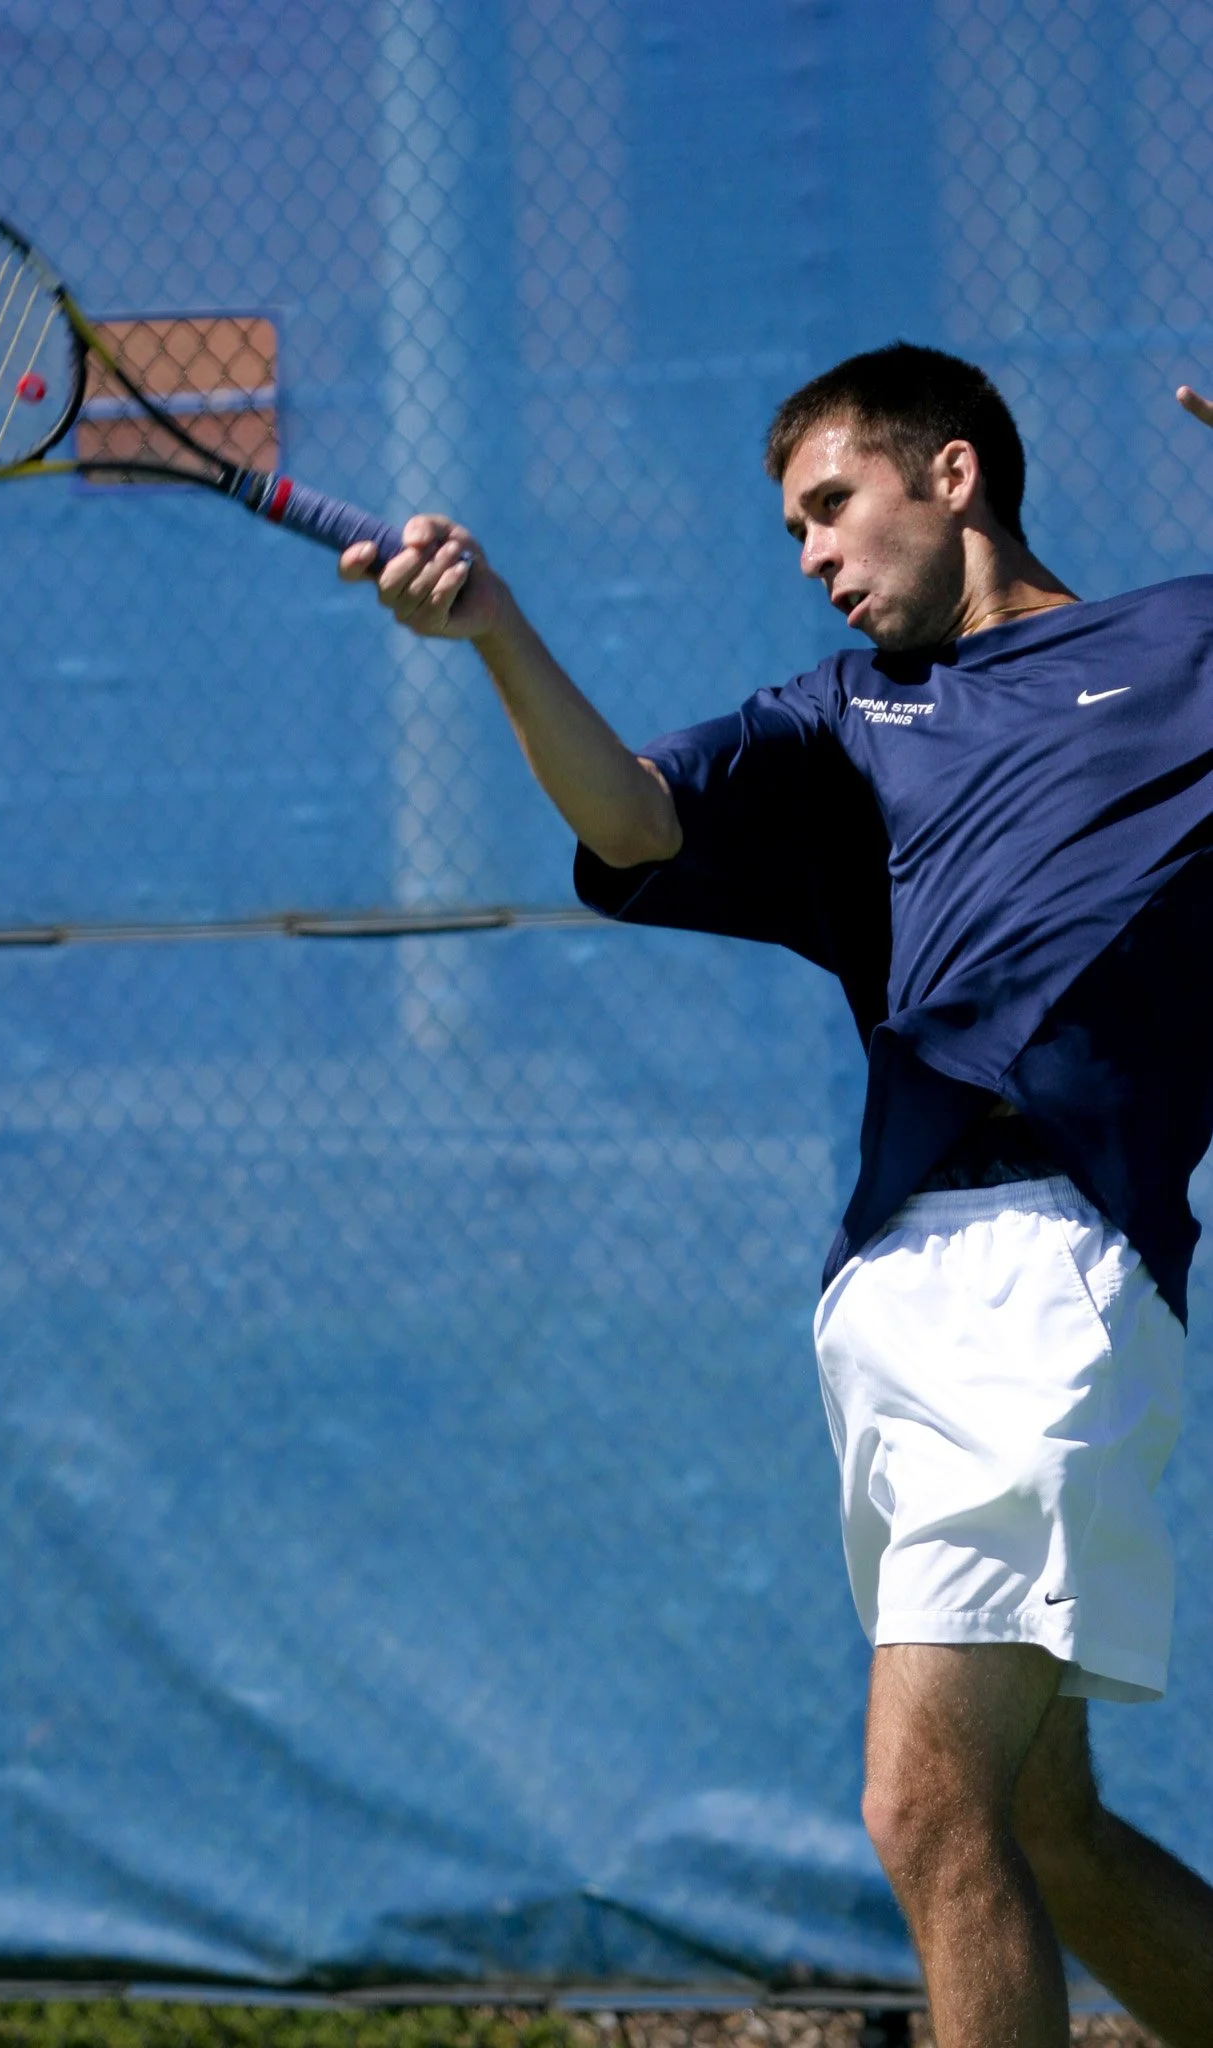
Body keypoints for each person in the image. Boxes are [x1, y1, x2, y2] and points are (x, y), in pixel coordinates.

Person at [340, 342, 1213, 2048]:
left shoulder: (1184, 647)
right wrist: (498, 637)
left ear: (951, 477)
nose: (811, 551)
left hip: (1057, 1278)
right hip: (888, 1302)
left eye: (832, 505)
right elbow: (635, 819)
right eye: (792, 527)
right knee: (1047, 1830)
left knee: (923, 1812)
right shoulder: (842, 720)